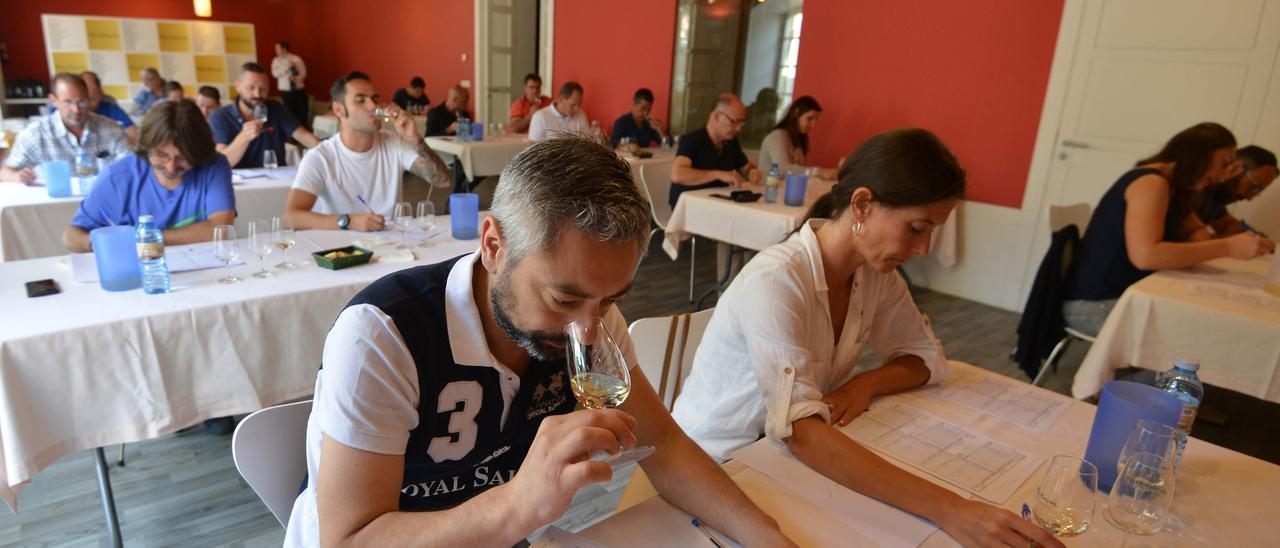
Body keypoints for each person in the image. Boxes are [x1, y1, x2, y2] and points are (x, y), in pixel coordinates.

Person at [283, 134, 793, 547]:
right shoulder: (382, 335)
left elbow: (668, 448)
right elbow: (348, 540)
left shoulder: (591, 316)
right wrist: (519, 505)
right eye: (562, 299)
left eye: (611, 299)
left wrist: (767, 536)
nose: (589, 330)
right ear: (492, 245)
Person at [672, 128, 1065, 548]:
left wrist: (867, 382)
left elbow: (925, 357)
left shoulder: (875, 276)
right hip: (712, 465)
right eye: (917, 228)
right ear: (862, 204)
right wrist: (951, 508)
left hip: (776, 454)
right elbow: (799, 432)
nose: (924, 247)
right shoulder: (779, 279)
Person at [1062, 122, 1275, 336]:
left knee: (1202, 327)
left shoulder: (1174, 188)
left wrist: (1215, 187)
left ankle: (1163, 370)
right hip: (1096, 304)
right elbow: (1146, 256)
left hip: (1121, 294)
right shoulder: (1151, 183)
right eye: (1224, 164)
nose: (1225, 173)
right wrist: (1228, 247)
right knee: (1200, 336)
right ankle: (1156, 371)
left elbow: (1198, 235)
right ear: (1198, 155)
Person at [284, 71, 450, 232]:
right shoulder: (320, 157)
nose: (372, 106)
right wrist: (348, 221)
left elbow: (442, 181)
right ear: (338, 110)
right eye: (360, 100)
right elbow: (290, 218)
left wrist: (415, 139)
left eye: (375, 99)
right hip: (342, 251)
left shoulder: (393, 142)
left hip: (393, 247)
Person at [62, 99, 234, 250]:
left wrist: (146, 238)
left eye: (183, 158)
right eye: (160, 155)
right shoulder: (119, 176)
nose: (171, 167)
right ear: (146, 147)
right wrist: (100, 243)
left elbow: (220, 229)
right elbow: (71, 236)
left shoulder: (214, 165)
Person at [1, 73, 130, 183]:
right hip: (55, 207)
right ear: (53, 101)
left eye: (82, 102)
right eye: (68, 102)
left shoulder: (112, 129)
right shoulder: (36, 134)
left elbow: (132, 168)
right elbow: (5, 172)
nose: (76, 110)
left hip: (103, 202)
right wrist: (17, 176)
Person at [210, 62, 320, 169]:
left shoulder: (276, 109)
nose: (257, 94)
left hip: (276, 181)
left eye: (263, 89)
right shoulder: (220, 117)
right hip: (241, 185)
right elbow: (223, 162)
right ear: (238, 86)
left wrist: (333, 150)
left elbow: (306, 137)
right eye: (251, 88)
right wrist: (244, 137)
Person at [669, 92, 760, 207]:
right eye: (734, 121)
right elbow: (677, 175)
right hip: (689, 206)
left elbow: (746, 168)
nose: (738, 128)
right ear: (717, 116)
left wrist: (752, 172)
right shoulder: (692, 140)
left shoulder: (731, 142)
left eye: (741, 123)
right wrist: (717, 174)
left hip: (719, 204)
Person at [1196, 144, 1277, 236]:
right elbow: (1186, 240)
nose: (1249, 198)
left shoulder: (1215, 199)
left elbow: (1228, 224)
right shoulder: (1193, 190)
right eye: (1253, 187)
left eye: (1258, 192)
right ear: (1235, 169)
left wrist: (1252, 233)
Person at [759, 96, 837, 179]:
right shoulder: (777, 135)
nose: (813, 125)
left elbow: (800, 171)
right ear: (796, 113)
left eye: (815, 120)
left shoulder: (798, 138)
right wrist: (819, 171)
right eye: (810, 118)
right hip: (767, 188)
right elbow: (781, 169)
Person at [81, 71, 137, 143]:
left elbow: (132, 129)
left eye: (93, 98)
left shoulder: (109, 106)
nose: (88, 103)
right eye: (84, 98)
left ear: (100, 93)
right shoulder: (75, 111)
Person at [271, 41, 310, 129]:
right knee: (289, 113)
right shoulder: (275, 61)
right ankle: (291, 134)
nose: (276, 51)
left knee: (302, 112)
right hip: (286, 92)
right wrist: (286, 68)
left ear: (284, 49)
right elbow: (275, 74)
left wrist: (296, 78)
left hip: (299, 90)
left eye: (278, 48)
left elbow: (304, 73)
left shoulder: (296, 59)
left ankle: (303, 132)